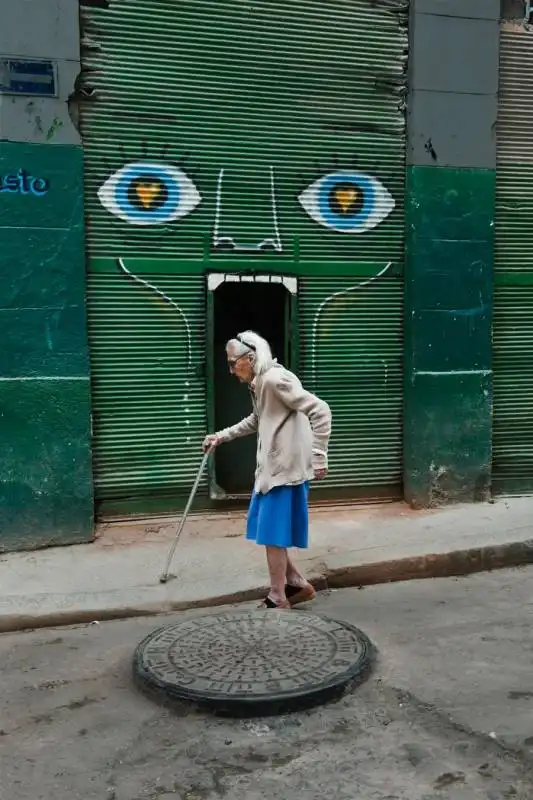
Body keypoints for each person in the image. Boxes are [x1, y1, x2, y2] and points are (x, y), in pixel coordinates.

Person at [203, 330, 332, 610]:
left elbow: (320, 410)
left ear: (250, 358)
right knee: (271, 532)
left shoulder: (274, 379)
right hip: (272, 471)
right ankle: (296, 583)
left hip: (283, 473)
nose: (230, 369)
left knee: (273, 536)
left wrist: (319, 456)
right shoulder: (259, 382)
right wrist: (222, 436)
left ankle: (277, 596)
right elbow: (258, 419)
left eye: (232, 362)